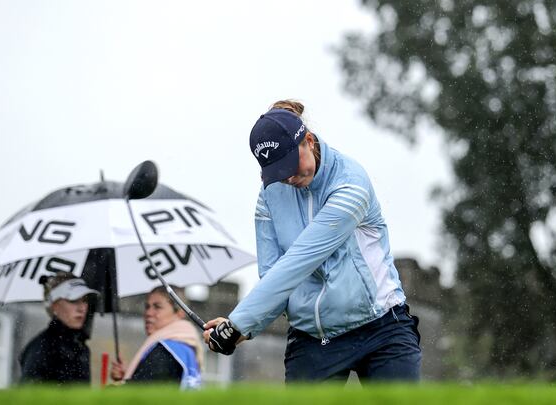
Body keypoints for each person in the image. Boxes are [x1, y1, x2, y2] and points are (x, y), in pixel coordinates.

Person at [203, 99, 422, 383]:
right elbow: (272, 275)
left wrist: (238, 322)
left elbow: (298, 263)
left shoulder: (350, 184)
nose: (290, 177)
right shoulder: (270, 195)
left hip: (381, 327)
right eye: (279, 172)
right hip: (313, 338)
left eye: (292, 165)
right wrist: (241, 330)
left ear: (308, 141)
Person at [110, 285, 203, 389]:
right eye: (147, 307)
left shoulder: (166, 351)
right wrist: (131, 374)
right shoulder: (185, 348)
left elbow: (140, 393)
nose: (148, 313)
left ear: (179, 313)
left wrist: (114, 388)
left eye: (157, 307)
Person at [19, 273, 99, 384]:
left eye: (85, 300)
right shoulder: (42, 347)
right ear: (55, 306)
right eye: (73, 300)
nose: (82, 308)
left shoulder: (81, 348)